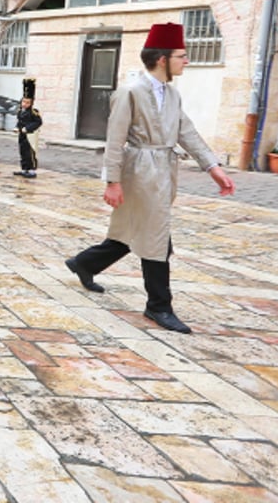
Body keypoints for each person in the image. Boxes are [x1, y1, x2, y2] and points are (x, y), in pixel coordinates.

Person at [64, 23, 235, 334]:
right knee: (156, 238)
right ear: (162, 58)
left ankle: (85, 263)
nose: (187, 61)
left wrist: (213, 167)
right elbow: (115, 140)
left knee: (134, 230)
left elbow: (187, 132)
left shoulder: (172, 94)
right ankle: (158, 305)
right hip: (139, 171)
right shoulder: (130, 92)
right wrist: (112, 182)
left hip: (163, 171)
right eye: (182, 56)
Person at [14, 78, 42, 179]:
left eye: (27, 103)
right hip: (22, 135)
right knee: (22, 151)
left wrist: (28, 128)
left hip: (30, 135)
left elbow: (38, 122)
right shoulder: (20, 111)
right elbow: (20, 121)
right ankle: (24, 168)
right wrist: (17, 127)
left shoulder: (33, 112)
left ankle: (31, 169)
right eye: (23, 102)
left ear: (31, 103)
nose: (24, 104)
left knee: (29, 152)